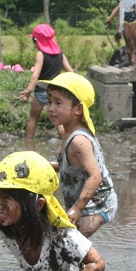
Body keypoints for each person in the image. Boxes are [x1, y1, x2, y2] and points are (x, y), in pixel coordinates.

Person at [41, 72, 118, 238]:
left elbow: (95, 177)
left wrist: (78, 208)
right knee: (60, 245)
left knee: (69, 246)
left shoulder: (79, 141)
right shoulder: (66, 131)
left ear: (78, 109)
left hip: (97, 207)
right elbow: (66, 165)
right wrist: (43, 166)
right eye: (49, 101)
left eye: (58, 103)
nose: (51, 108)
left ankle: (94, 264)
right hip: (82, 203)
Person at [19, 24, 74, 139]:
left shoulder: (40, 54)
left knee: (33, 118)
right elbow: (71, 72)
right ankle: (64, 143)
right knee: (58, 120)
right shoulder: (60, 54)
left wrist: (28, 90)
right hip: (56, 92)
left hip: (41, 91)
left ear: (37, 41)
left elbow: (36, 75)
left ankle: (29, 143)